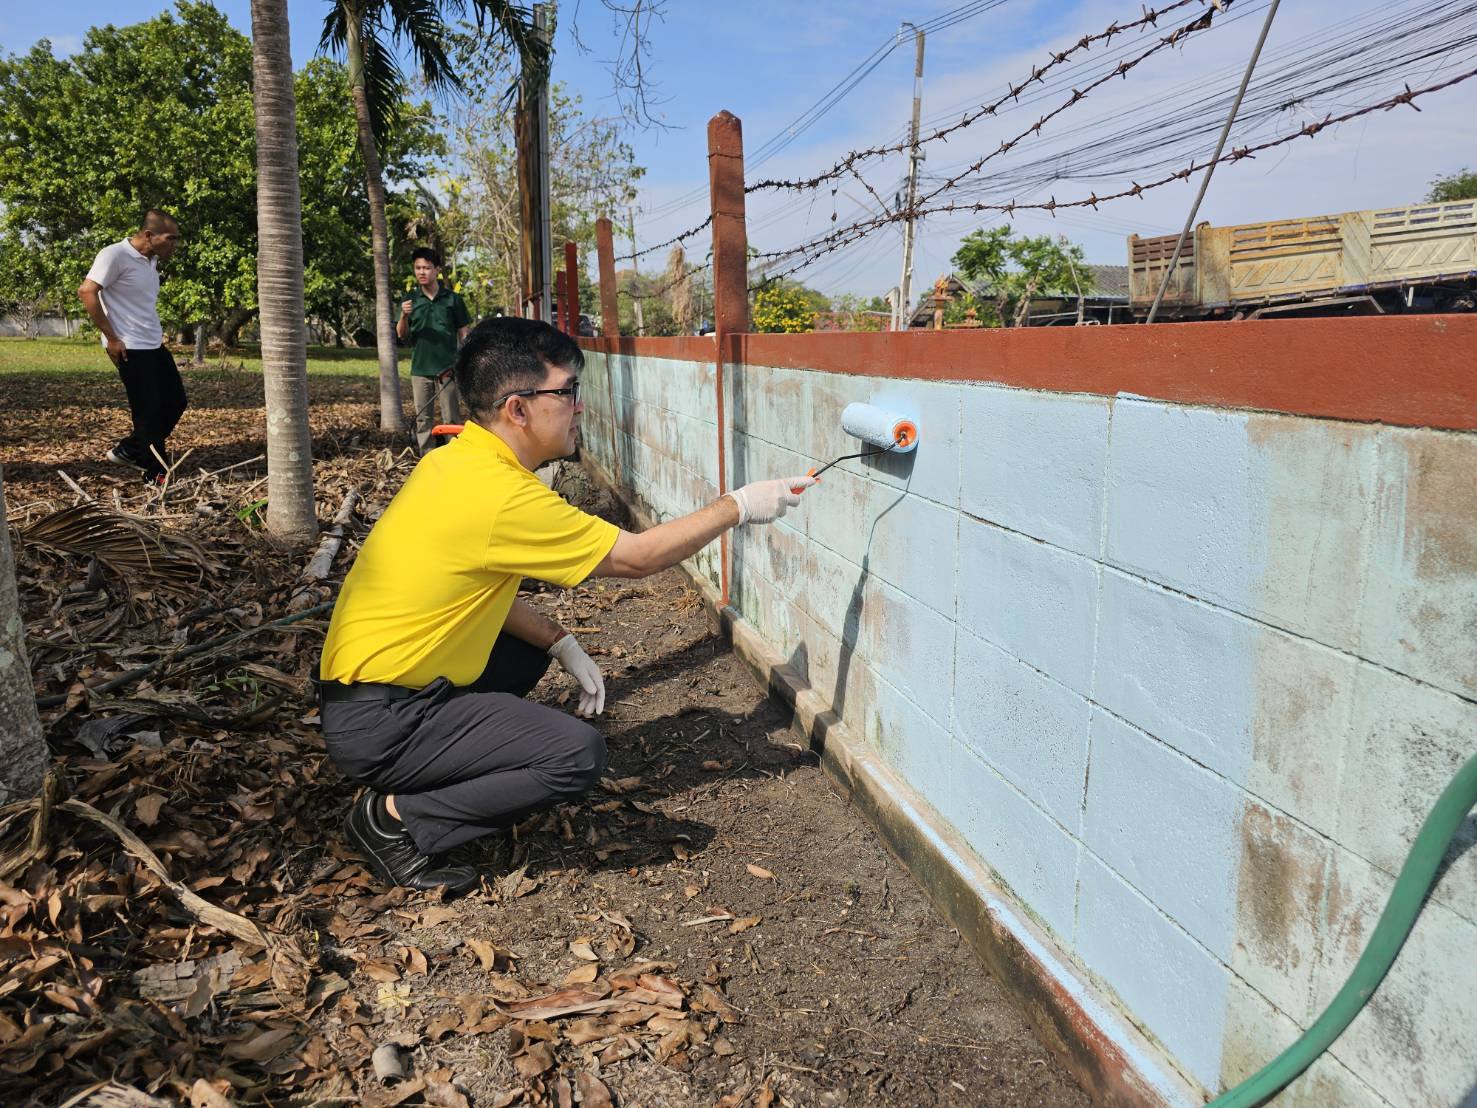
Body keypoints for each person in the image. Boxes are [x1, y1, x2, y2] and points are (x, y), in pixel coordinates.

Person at [316, 316, 816, 893]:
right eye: (567, 392)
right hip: (384, 719)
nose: (579, 406)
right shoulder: (501, 494)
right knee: (574, 757)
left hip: (365, 697)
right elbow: (638, 556)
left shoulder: (456, 460)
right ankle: (393, 819)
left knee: (527, 655)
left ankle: (443, 761)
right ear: (518, 409)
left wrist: (559, 640)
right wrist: (740, 505)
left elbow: (464, 592)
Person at [78, 210, 185, 483]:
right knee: (147, 411)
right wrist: (112, 338)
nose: (175, 245)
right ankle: (156, 474)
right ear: (149, 235)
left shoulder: (150, 260)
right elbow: (87, 291)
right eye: (170, 239)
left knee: (176, 402)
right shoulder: (114, 255)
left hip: (153, 342)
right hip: (129, 346)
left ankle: (132, 448)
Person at [398, 247, 472, 454]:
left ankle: (453, 457)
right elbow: (402, 335)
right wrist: (404, 316)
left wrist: (462, 360)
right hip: (420, 369)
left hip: (447, 369)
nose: (422, 272)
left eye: (427, 268)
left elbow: (463, 331)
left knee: (451, 417)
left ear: (437, 270)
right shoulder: (410, 300)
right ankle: (426, 458)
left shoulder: (452, 299)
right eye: (418, 268)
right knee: (423, 418)